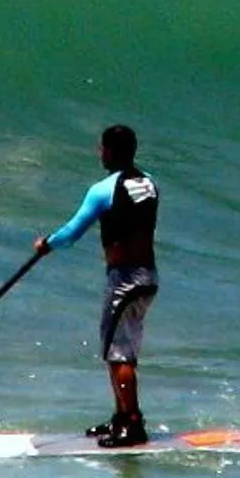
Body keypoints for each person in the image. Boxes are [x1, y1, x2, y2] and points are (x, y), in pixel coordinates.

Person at [33, 124, 159, 448]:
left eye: (102, 148)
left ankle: (132, 425)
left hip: (124, 280)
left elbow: (73, 232)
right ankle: (121, 416)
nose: (99, 153)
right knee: (122, 349)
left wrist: (47, 244)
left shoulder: (104, 189)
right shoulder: (148, 183)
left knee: (119, 355)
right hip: (148, 277)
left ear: (111, 151)